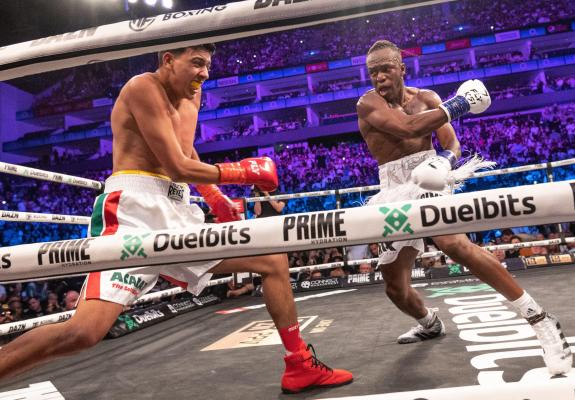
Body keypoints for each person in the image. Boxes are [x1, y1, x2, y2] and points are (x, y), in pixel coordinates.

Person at [0, 44, 352, 393]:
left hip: (178, 212)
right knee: (84, 333)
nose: (204, 73)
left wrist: (215, 199)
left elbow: (185, 150)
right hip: (133, 213)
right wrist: (243, 172)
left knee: (272, 259)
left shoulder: (193, 95)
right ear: (168, 60)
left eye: (208, 65)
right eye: (197, 63)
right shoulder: (142, 88)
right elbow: (176, 165)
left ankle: (299, 365)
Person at [356, 40, 571, 375]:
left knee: (452, 243)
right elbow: (406, 128)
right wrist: (460, 104)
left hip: (431, 177)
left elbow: (451, 142)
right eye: (373, 72)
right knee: (395, 287)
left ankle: (540, 318)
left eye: (385, 69)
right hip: (393, 188)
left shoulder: (427, 99)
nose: (379, 77)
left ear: (401, 66)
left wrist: (444, 161)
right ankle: (429, 322)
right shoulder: (367, 103)